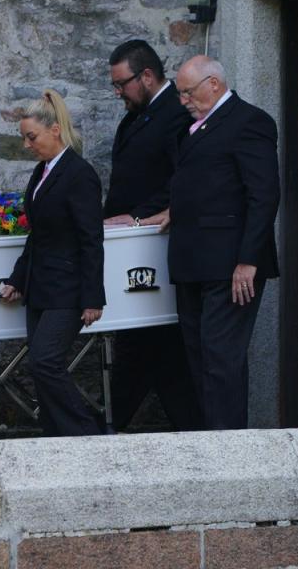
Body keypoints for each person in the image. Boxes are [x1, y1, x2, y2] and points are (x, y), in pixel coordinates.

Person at [159, 55, 280, 430]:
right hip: (193, 261)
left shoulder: (249, 122)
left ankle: (228, 446)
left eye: (188, 93)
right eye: (179, 94)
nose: (183, 101)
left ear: (214, 84)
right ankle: (208, 441)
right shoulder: (193, 128)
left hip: (230, 265)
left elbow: (263, 195)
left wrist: (248, 260)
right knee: (198, 358)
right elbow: (205, 184)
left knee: (221, 359)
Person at [103, 39, 202, 432]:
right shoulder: (136, 117)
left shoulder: (174, 117)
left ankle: (108, 426)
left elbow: (183, 179)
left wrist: (140, 216)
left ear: (146, 76)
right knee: (151, 350)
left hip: (152, 244)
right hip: (131, 247)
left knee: (152, 346)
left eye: (122, 83)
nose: (117, 92)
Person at [0, 89, 105, 437]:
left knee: (45, 362)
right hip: (40, 286)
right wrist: (17, 278)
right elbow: (38, 234)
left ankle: (86, 432)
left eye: (32, 137)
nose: (28, 145)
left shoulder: (79, 174)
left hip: (68, 288)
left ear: (55, 130)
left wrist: (92, 297)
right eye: (25, 138)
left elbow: (91, 238)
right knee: (40, 365)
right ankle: (56, 438)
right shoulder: (42, 173)